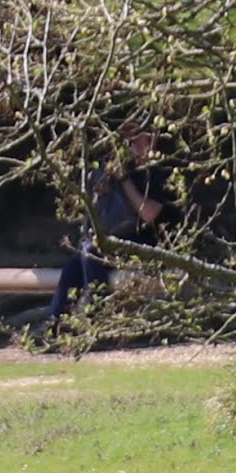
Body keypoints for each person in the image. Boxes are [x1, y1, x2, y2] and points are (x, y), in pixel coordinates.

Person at [49, 131, 164, 335]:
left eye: (141, 139)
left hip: (146, 245)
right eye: (130, 139)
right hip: (112, 244)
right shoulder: (118, 168)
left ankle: (96, 322)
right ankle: (53, 328)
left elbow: (149, 214)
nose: (133, 144)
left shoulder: (158, 172)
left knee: (91, 253)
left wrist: (124, 179)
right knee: (72, 267)